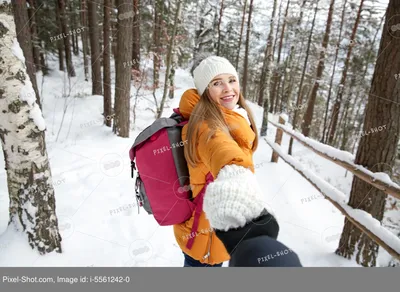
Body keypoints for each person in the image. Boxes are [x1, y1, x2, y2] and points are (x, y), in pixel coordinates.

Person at [173, 55, 302, 267]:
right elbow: (221, 149)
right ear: (205, 90)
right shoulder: (205, 124)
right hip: (204, 239)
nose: (227, 88)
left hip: (213, 234)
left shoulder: (234, 115)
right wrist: (236, 176)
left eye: (231, 80)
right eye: (217, 83)